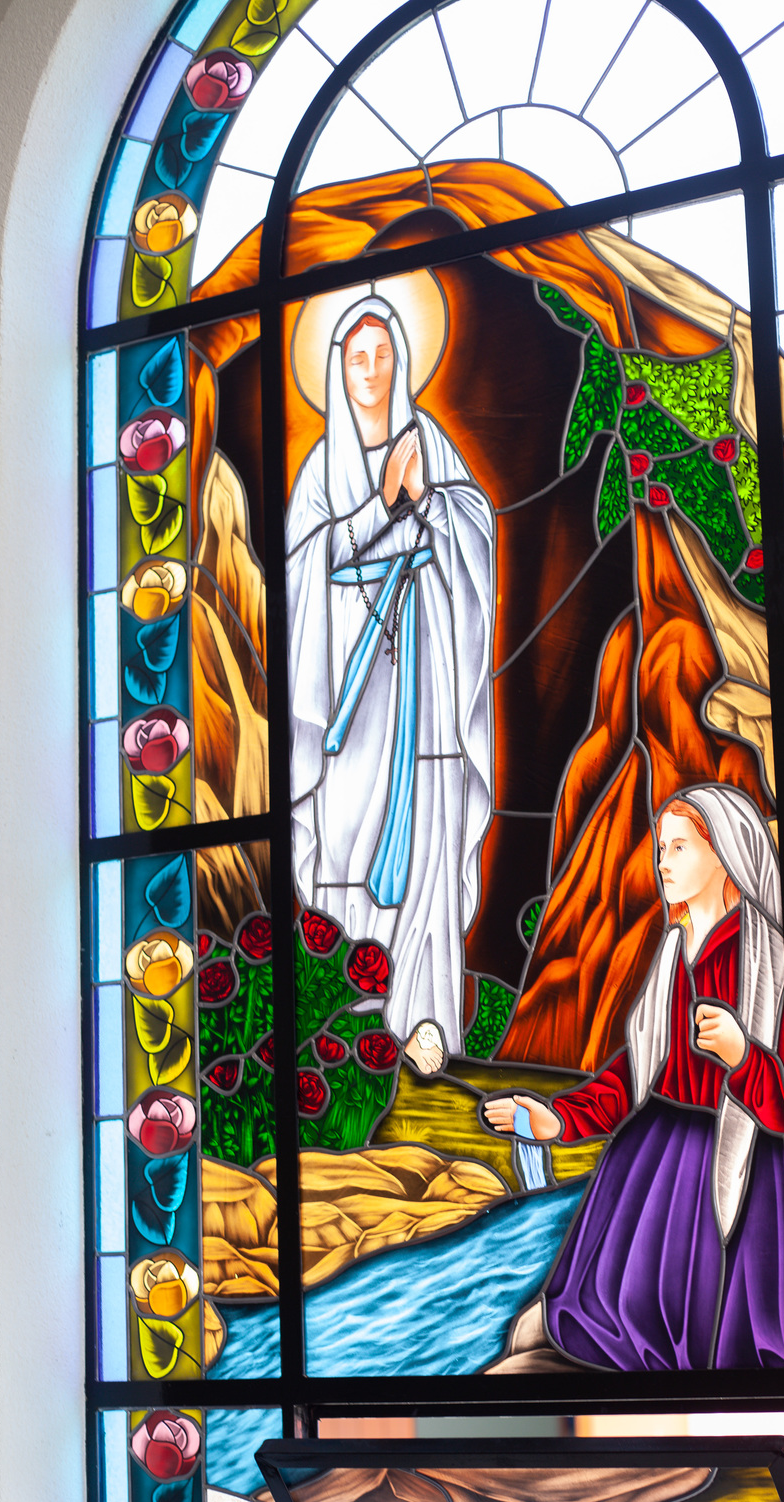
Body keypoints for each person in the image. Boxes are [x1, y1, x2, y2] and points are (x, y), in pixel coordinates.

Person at [485, 785, 784, 1372]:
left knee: (745, 1348)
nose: (662, 861)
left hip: (736, 1154)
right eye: (661, 848)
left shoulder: (771, 958)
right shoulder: (672, 951)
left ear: (723, 855)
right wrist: (557, 1118)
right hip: (650, 1157)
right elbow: (636, 1071)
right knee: (604, 1323)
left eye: (679, 847)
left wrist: (743, 1056)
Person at [286, 296, 495, 1070]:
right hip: (345, 694)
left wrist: (431, 506)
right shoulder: (321, 469)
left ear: (401, 362)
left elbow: (475, 526)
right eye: (356, 358)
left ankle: (425, 1018)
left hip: (425, 681)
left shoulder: (429, 443)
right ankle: (350, 1031)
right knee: (346, 839)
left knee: (429, 836)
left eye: (382, 355)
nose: (370, 371)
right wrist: (381, 508)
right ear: (337, 370)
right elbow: (301, 572)